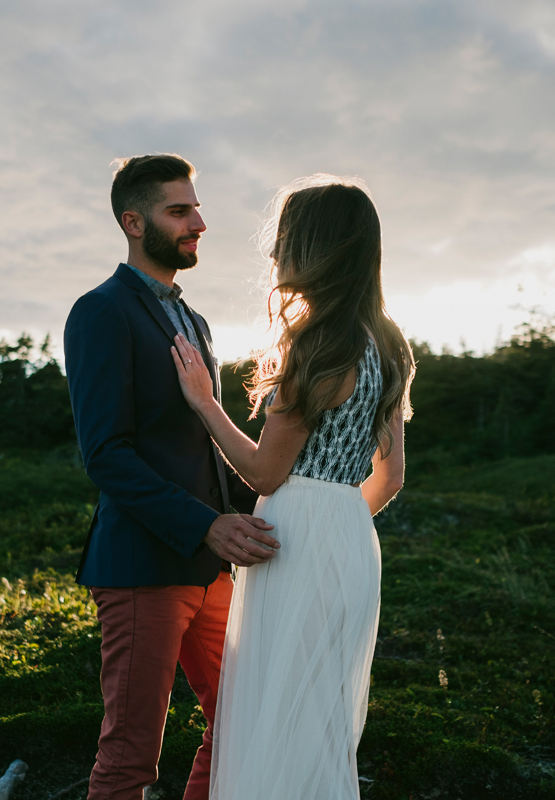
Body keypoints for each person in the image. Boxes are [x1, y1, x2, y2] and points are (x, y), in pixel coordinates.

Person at [169, 176, 415, 800]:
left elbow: (263, 474)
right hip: (352, 541)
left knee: (272, 711)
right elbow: (391, 477)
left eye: (285, 240)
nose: (275, 254)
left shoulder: (319, 344)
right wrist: (335, 522)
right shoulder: (389, 344)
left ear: (315, 248)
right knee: (317, 717)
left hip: (294, 540)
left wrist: (204, 403)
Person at [63, 153, 281, 800]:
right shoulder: (101, 311)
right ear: (134, 222)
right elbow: (106, 454)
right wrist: (207, 526)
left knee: (242, 722)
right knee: (130, 759)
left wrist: (278, 503)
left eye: (197, 208)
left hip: (211, 568)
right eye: (179, 211)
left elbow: (201, 445)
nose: (199, 223)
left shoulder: (195, 320)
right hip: (142, 567)